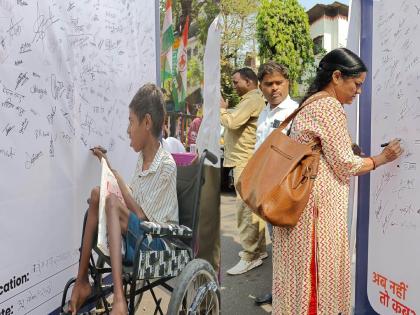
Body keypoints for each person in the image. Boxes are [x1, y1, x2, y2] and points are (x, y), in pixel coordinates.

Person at [271, 48, 403, 314]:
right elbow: (345, 163)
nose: (358, 92)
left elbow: (323, 151)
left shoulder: (312, 102)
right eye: (356, 84)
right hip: (315, 214)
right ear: (337, 76)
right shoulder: (329, 106)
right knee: (314, 285)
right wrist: (382, 158)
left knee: (299, 281)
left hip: (301, 207)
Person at [68, 83, 178, 315]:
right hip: (140, 235)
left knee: (112, 202)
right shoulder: (141, 160)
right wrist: (108, 169)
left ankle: (119, 299)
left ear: (146, 123)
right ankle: (82, 281)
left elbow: (142, 216)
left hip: (158, 243)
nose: (128, 130)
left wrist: (116, 177)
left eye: (131, 121)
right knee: (98, 194)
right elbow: (133, 204)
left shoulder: (166, 164)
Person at [253, 61, 299, 306]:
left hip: (286, 192)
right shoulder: (264, 113)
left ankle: (292, 296)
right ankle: (279, 290)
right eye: (268, 84)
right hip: (265, 190)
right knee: (277, 246)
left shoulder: (296, 112)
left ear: (287, 82)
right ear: (261, 86)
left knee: (291, 246)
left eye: (278, 82)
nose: (274, 88)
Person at [220, 67, 266, 275]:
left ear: (248, 81)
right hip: (245, 160)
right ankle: (259, 250)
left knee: (245, 210)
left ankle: (251, 255)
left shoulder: (251, 99)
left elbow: (232, 121)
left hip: (245, 162)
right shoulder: (252, 99)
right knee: (252, 209)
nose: (233, 85)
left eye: (236, 81)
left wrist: (221, 109)